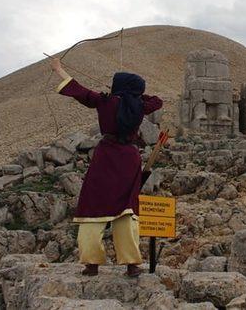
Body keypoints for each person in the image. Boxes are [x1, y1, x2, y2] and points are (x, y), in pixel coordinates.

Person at [50, 57, 163, 277]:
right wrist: (135, 97)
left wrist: (58, 69)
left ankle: (91, 264)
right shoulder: (140, 105)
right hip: (129, 159)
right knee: (127, 210)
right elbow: (157, 101)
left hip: (106, 157)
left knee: (94, 207)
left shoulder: (105, 102)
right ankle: (132, 265)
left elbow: (78, 90)